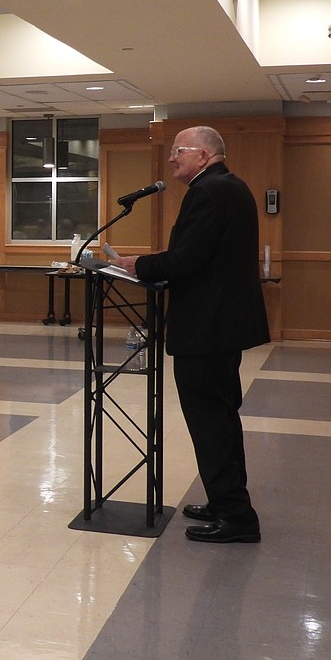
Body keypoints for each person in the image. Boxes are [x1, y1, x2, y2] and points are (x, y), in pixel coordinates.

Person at [114, 126, 268, 544]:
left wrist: (139, 265)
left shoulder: (211, 191)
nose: (170, 159)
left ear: (203, 155)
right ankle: (225, 501)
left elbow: (190, 259)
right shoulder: (225, 187)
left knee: (211, 420)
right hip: (218, 325)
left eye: (177, 151)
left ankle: (236, 516)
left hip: (208, 327)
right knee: (218, 416)